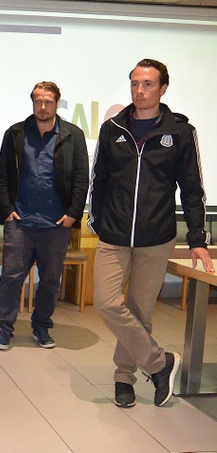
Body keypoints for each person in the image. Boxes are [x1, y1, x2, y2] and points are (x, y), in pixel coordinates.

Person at [88, 59, 213, 408]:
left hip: (156, 237)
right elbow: (99, 180)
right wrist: (97, 222)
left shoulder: (181, 132)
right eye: (135, 84)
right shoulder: (113, 129)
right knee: (107, 303)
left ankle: (123, 378)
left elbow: (192, 190)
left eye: (147, 84)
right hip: (114, 235)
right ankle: (160, 364)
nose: (139, 91)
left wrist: (198, 239)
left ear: (162, 88)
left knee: (139, 312)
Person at [0, 81, 89, 351]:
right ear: (32, 103)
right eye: (38, 101)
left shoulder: (73, 135)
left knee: (50, 280)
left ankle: (41, 327)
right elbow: (2, 175)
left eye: (48, 102)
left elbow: (81, 177)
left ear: (57, 103)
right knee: (11, 277)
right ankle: (2, 330)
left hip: (57, 222)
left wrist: (73, 213)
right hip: (21, 220)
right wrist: (7, 210)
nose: (42, 106)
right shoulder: (15, 133)